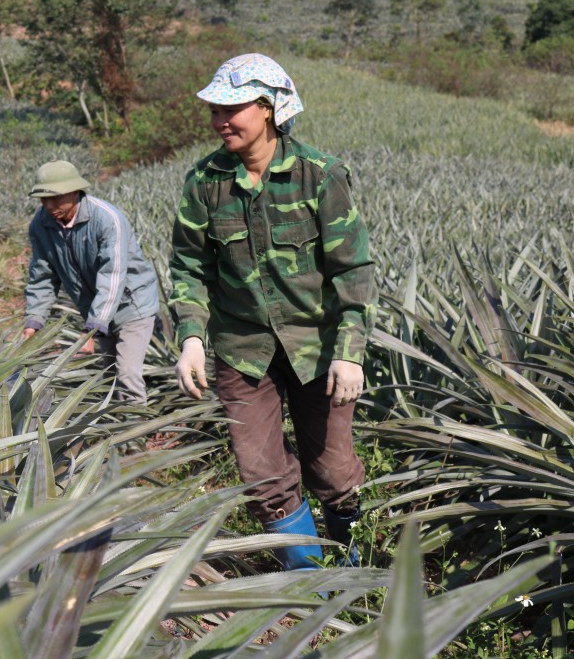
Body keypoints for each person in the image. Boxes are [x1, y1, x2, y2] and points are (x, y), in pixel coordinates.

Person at [168, 54, 378, 569]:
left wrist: (350, 353)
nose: (220, 122)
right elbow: (189, 267)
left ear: (268, 109)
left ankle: (351, 569)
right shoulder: (204, 183)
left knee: (333, 470)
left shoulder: (320, 176)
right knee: (261, 474)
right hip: (243, 350)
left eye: (231, 109)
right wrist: (191, 337)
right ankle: (309, 580)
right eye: (214, 111)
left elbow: (353, 270)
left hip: (318, 347)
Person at [21, 160, 160, 406]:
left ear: (75, 192)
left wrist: (92, 328)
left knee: (127, 374)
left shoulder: (107, 220)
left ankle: (135, 438)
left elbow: (113, 276)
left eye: (55, 198)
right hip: (96, 308)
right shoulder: (42, 224)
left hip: (132, 305)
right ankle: (116, 437)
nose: (49, 206)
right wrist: (34, 320)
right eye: (43, 199)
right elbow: (42, 275)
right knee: (109, 376)